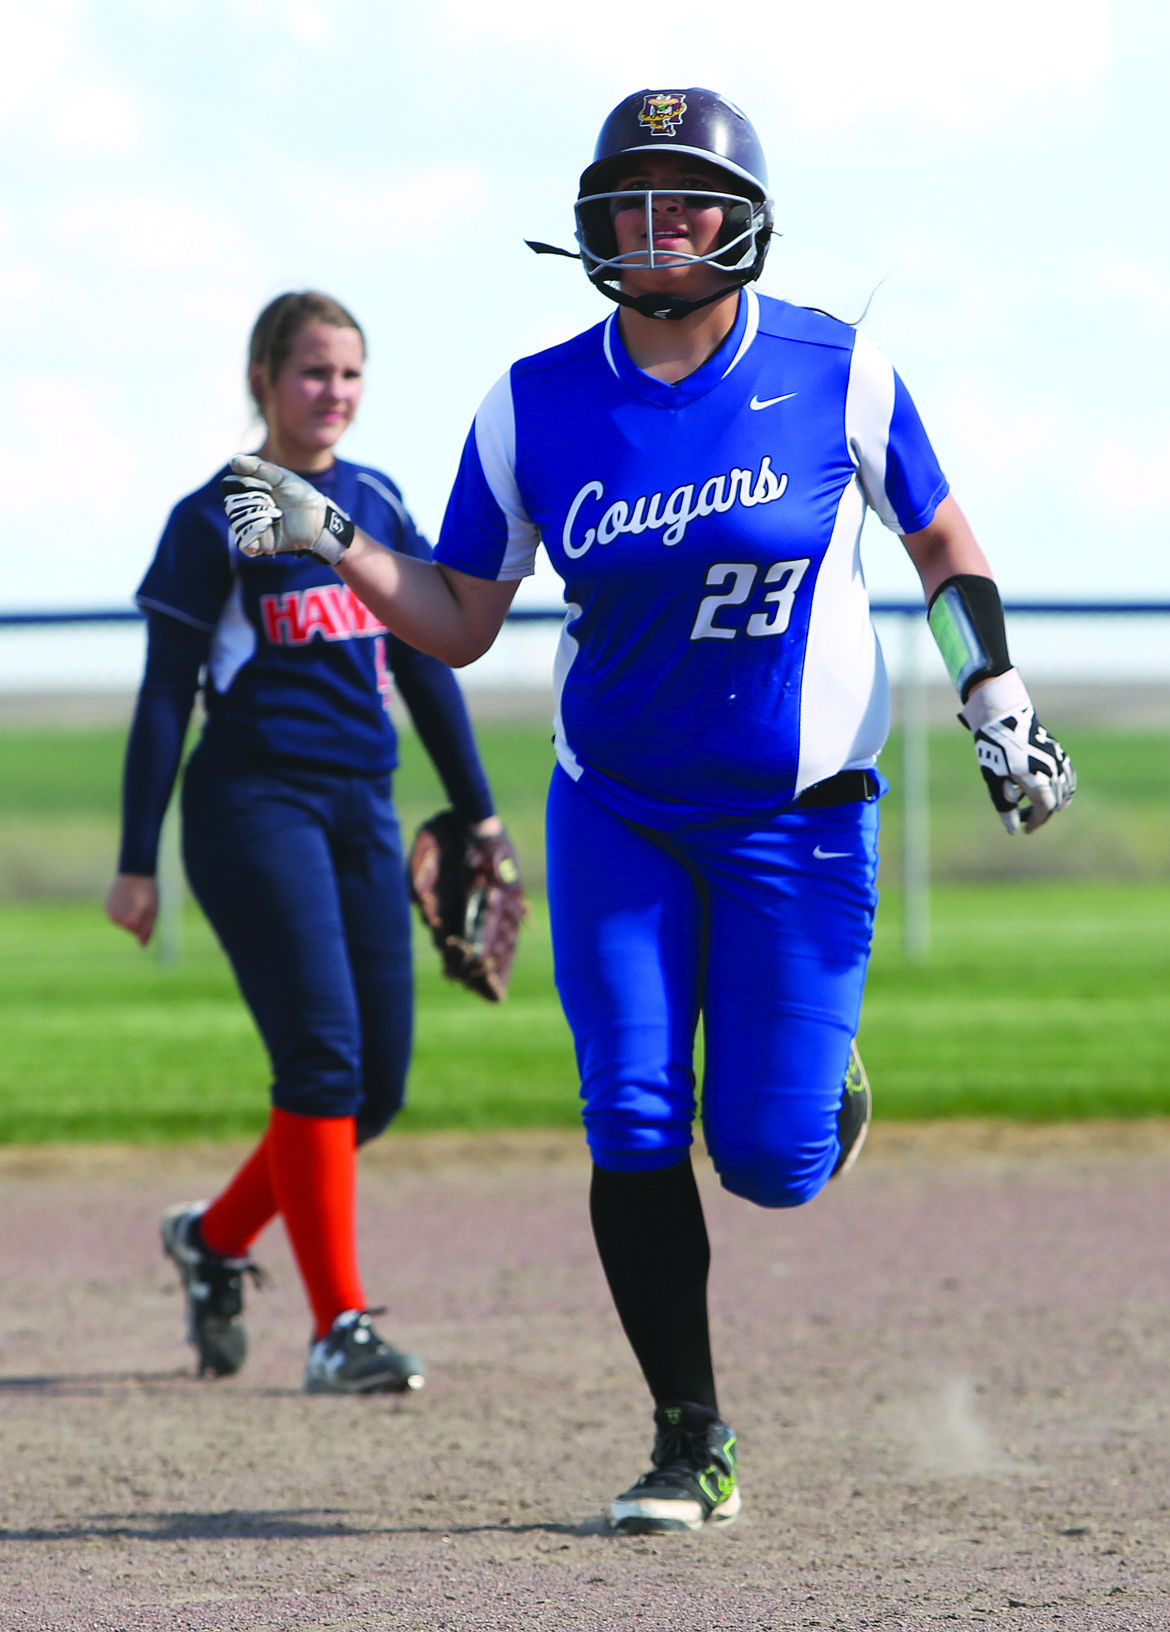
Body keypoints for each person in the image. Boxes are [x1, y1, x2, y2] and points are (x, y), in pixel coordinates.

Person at [219, 92, 1075, 1523]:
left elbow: (939, 539)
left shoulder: (837, 370)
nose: (656, 225)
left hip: (793, 817)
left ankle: (811, 1083)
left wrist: (993, 697)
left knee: (769, 1160)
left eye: (686, 196)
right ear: (594, 223)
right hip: (613, 808)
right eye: (631, 199)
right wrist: (335, 531)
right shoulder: (534, 401)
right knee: (626, 1109)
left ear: (741, 214)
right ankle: (690, 1438)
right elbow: (460, 617)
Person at [108, 290, 509, 1394]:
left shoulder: (374, 502)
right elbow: (162, 695)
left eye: (350, 374)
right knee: (321, 1057)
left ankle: (214, 1239)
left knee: (371, 1089)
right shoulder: (225, 513)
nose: (332, 393)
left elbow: (427, 659)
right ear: (263, 381)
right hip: (251, 808)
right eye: (311, 372)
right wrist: (136, 860)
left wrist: (478, 814)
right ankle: (340, 1328)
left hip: (360, 810)